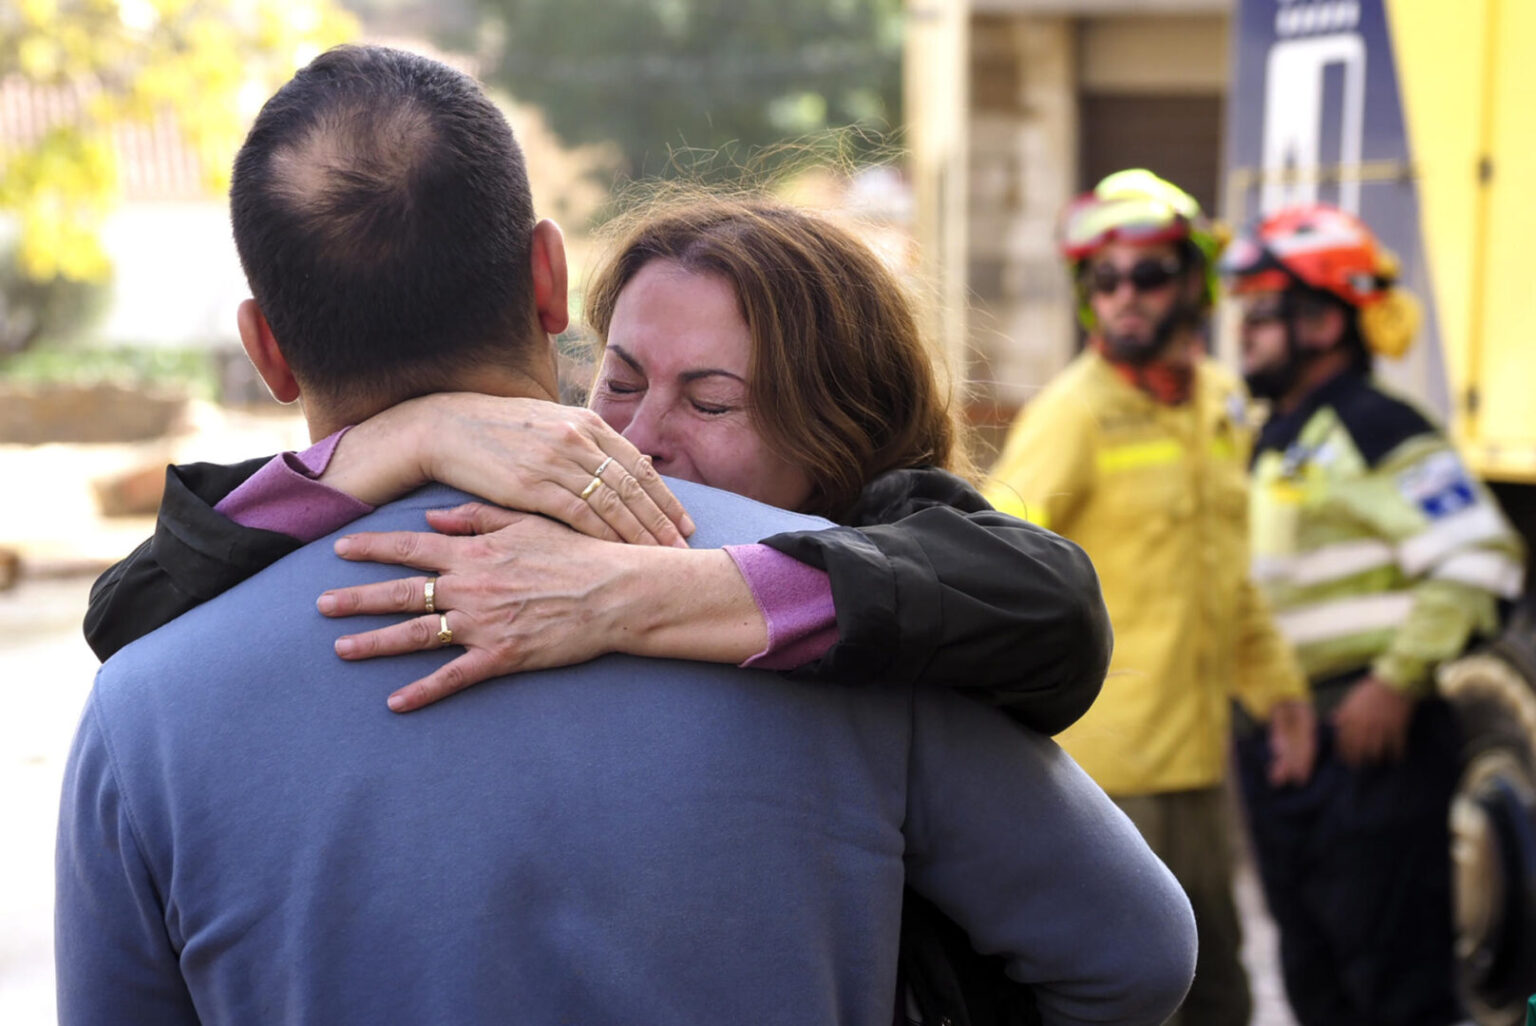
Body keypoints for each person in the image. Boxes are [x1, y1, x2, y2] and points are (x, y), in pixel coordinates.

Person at [56, 46, 1196, 1026]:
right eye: (628, 380)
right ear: (551, 279)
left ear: (265, 348)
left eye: (710, 401)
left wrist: (617, 588)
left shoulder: (147, 701)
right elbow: (1137, 954)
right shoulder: (852, 646)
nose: (644, 439)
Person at [981, 169, 1316, 1026]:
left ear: (1196, 284)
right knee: (1122, 998)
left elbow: (1227, 575)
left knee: (1218, 997)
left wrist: (1277, 692)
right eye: (1108, 277)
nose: (1127, 296)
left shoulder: (1218, 404)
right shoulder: (1073, 414)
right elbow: (989, 562)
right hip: (1098, 776)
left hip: (1198, 770)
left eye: (1152, 274)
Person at [1221, 204, 1524, 1026]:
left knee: (1395, 993)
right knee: (1318, 987)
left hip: (1371, 750)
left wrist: (1395, 683)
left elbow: (1481, 555)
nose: (1241, 330)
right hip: (1289, 749)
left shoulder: (1378, 426)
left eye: (1261, 309)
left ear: (1321, 321)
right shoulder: (1280, 436)